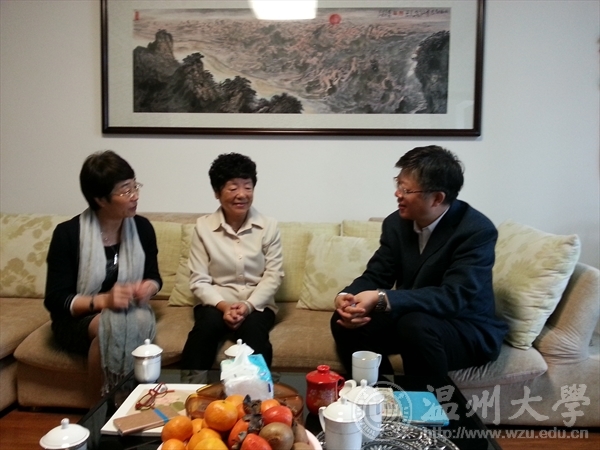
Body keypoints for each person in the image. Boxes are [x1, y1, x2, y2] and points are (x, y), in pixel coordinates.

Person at [330, 145, 508, 378]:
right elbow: (377, 274)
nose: (397, 194)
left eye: (406, 189)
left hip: (465, 326)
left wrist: (381, 298)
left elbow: (453, 297)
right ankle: (380, 392)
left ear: (437, 198)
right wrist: (347, 297)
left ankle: (428, 400)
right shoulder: (396, 224)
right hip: (413, 317)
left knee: (414, 325)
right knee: (344, 321)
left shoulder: (475, 230)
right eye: (398, 184)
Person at [44, 150, 161, 399]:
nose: (135, 196)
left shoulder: (142, 228)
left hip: (128, 310)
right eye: (125, 191)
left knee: (126, 321)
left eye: (135, 186)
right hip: (78, 318)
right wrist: (103, 301)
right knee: (110, 326)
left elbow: (154, 276)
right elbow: (56, 299)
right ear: (100, 199)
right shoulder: (68, 234)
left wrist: (147, 288)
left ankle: (128, 402)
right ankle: (105, 407)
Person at [181, 153, 284, 377]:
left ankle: (258, 393)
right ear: (217, 193)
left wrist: (247, 306)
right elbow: (199, 280)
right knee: (204, 330)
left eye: (248, 187)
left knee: (255, 332)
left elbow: (273, 275)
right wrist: (224, 306)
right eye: (233, 188)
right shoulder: (203, 228)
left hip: (257, 303)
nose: (242, 194)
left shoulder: (269, 226)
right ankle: (188, 390)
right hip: (216, 303)